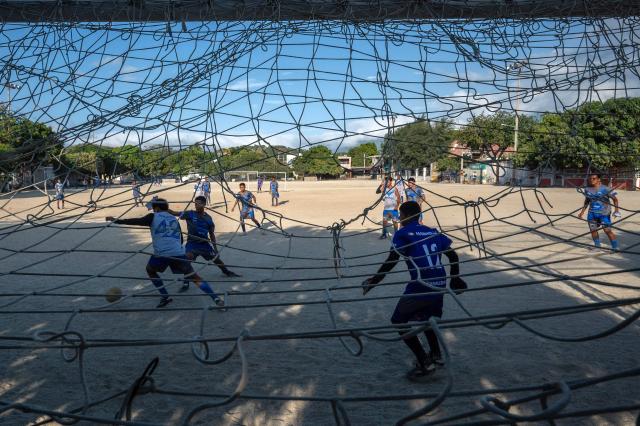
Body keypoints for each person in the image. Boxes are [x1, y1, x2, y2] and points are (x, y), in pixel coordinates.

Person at [361, 201, 468, 380]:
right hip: (439, 282)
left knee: (398, 321)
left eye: (400, 215)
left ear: (405, 216)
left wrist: (374, 281)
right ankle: (436, 354)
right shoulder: (432, 231)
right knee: (427, 320)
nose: (399, 218)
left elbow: (391, 260)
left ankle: (425, 363)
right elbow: (452, 255)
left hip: (422, 283)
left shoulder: (403, 233)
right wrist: (455, 278)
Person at [106, 198, 225, 309]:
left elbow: (136, 221)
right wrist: (180, 250)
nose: (153, 210)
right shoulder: (173, 219)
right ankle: (216, 298)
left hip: (162, 254)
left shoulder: (153, 216)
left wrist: (116, 220)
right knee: (195, 277)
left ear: (156, 208)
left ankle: (165, 296)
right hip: (178, 252)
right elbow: (180, 238)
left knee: (150, 270)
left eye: (153, 208)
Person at [173, 196, 240, 293]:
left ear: (204, 204)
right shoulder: (189, 214)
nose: (196, 205)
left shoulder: (208, 218)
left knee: (217, 260)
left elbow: (212, 234)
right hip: (192, 244)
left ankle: (226, 272)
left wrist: (215, 248)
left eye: (198, 203)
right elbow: (174, 213)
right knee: (187, 260)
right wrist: (162, 207)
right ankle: (186, 282)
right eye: (195, 203)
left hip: (205, 244)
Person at [578, 174, 621, 250]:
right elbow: (587, 201)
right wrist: (582, 212)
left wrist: (616, 210)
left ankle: (615, 247)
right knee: (593, 230)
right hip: (592, 213)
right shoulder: (587, 189)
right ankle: (597, 246)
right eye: (590, 179)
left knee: (607, 230)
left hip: (604, 213)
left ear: (598, 180)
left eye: (594, 178)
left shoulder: (606, 189)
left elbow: (615, 199)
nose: (592, 180)